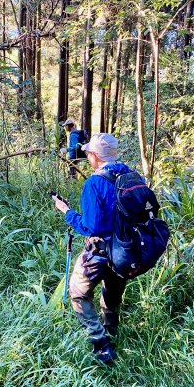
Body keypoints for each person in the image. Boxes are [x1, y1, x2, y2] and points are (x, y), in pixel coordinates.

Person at [52, 132, 131, 364]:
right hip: (125, 251)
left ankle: (101, 344)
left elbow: (91, 226)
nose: (87, 157)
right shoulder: (131, 176)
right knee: (113, 293)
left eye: (88, 153)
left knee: (78, 293)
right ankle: (111, 332)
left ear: (96, 156)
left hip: (100, 252)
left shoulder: (94, 183)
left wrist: (67, 212)